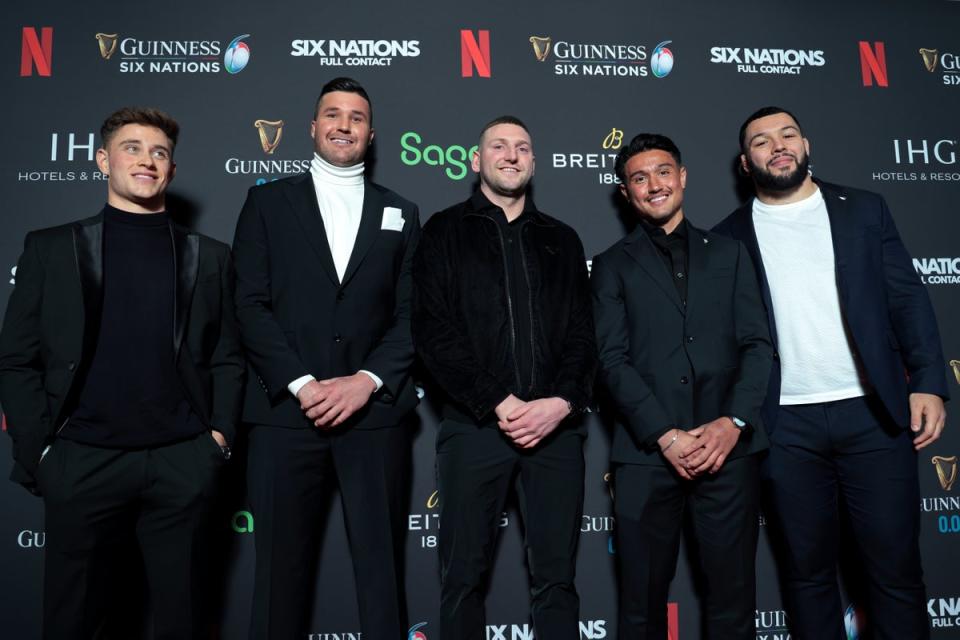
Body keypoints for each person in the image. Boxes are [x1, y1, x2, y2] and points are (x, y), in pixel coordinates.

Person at [0, 106, 244, 639]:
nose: (147, 160)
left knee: (182, 620)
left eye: (160, 152)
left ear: (172, 171)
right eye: (132, 148)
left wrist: (217, 441)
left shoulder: (211, 257)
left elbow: (228, 356)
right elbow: (17, 359)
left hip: (181, 461)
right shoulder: (51, 248)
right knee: (74, 621)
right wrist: (39, 451)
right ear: (101, 160)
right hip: (80, 460)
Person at [714, 106, 949, 640]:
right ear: (745, 163)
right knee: (807, 575)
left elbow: (908, 299)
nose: (778, 145)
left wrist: (930, 381)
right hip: (784, 427)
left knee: (894, 572)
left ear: (806, 145)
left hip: (873, 414)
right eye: (761, 141)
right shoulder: (726, 239)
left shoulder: (865, 210)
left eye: (788, 134)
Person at [232, 77, 420, 640]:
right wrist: (301, 382)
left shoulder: (402, 212)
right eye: (333, 114)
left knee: (383, 579)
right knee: (277, 581)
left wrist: (366, 381)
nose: (344, 125)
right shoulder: (266, 201)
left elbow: (413, 316)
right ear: (312, 127)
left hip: (374, 419)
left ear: (371, 133)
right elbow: (248, 304)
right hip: (285, 418)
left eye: (357, 117)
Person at [412, 115, 597, 640]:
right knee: (462, 580)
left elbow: (585, 337)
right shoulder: (444, 231)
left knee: (557, 581)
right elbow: (432, 331)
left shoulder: (562, 238)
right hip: (474, 429)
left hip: (556, 433)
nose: (510, 155)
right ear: (477, 160)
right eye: (498, 146)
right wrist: (500, 401)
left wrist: (559, 403)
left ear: (534, 163)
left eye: (522, 147)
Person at [592, 133, 772, 639]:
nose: (655, 185)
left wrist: (732, 422)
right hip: (647, 458)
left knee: (733, 604)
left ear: (683, 176)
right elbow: (610, 360)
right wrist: (665, 434)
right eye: (640, 178)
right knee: (640, 608)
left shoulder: (731, 253)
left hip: (729, 455)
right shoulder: (610, 265)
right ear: (625, 193)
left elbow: (758, 346)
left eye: (663, 172)